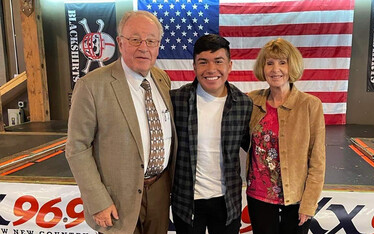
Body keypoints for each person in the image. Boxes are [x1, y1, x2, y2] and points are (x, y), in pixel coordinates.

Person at [66, 10, 176, 234]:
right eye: (135, 39)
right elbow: (77, 148)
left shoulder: (162, 79)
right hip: (116, 199)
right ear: (120, 43)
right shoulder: (92, 86)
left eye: (151, 41)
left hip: (160, 192)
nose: (143, 47)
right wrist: (98, 201)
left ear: (158, 45)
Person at [170, 34, 252, 234]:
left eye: (218, 61)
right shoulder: (176, 100)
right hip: (187, 202)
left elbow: (254, 147)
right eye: (203, 62)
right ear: (194, 66)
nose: (211, 69)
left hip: (227, 202)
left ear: (230, 65)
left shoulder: (243, 105)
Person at [246, 38, 326, 234]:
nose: (276, 69)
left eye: (283, 62)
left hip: (295, 198)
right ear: (262, 67)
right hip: (259, 196)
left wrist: (309, 204)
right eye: (270, 63)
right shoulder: (251, 101)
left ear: (293, 66)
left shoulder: (310, 105)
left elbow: (317, 160)